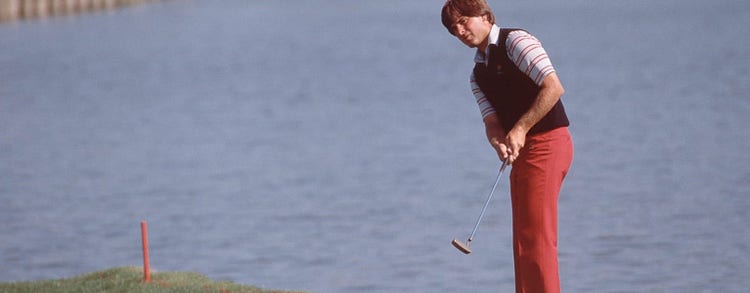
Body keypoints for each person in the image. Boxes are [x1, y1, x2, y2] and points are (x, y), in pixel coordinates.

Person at [441, 0, 574, 292]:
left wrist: (521, 128)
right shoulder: (477, 75)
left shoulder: (516, 41)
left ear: (485, 16)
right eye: (453, 29)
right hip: (523, 150)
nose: (460, 31)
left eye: (464, 22)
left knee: (538, 235)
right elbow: (491, 123)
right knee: (524, 236)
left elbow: (553, 87)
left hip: (549, 142)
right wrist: (499, 141)